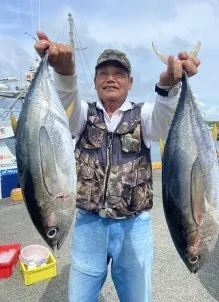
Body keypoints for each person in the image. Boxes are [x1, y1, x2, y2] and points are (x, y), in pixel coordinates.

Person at [35, 31, 200, 302]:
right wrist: (65, 75)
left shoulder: (144, 115)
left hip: (134, 227)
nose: (110, 78)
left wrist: (167, 86)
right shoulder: (82, 115)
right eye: (103, 73)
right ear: (96, 81)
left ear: (130, 82)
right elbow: (65, 103)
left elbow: (164, 117)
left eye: (119, 74)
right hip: (89, 225)